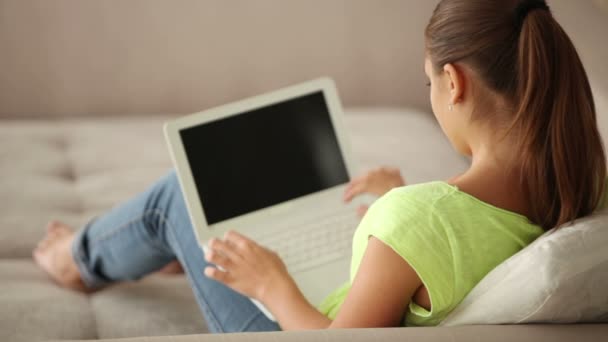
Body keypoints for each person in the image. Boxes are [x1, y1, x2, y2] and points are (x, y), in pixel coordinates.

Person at [32, 0, 606, 332]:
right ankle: (187, 250)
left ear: (453, 83)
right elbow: (462, 239)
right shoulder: (578, 181)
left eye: (427, 81)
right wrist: (405, 209)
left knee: (175, 197)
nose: (431, 91)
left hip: (292, 328)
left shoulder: (414, 220)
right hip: (386, 259)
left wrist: (275, 286)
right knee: (211, 231)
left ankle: (74, 259)